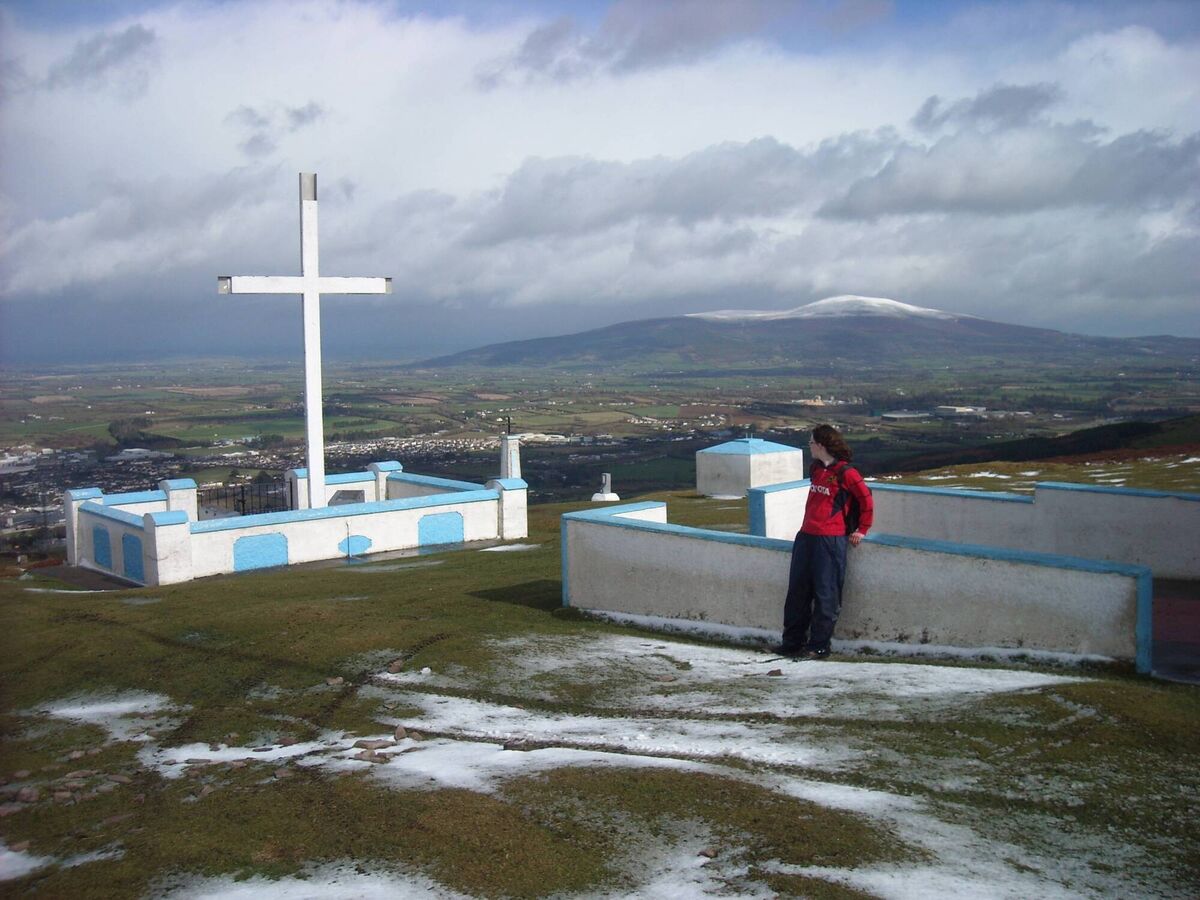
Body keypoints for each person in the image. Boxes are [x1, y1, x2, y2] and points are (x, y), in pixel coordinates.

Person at [776, 424, 873, 660]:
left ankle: (819, 646)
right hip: (806, 536)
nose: (809, 446)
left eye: (811, 442)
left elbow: (866, 500)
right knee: (797, 593)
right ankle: (792, 642)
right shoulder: (816, 469)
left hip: (830, 539)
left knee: (826, 593)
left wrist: (862, 529)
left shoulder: (847, 473)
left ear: (821, 445)